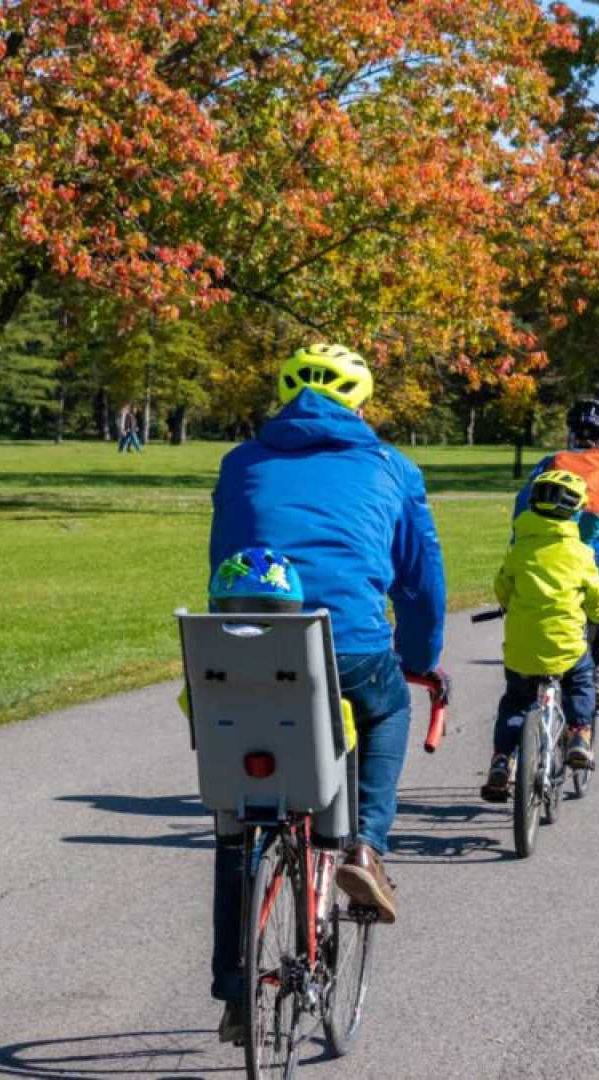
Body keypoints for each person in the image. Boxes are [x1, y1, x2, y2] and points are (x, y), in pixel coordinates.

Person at [206, 342, 448, 1044]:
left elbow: (224, 557)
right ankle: (364, 849)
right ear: (361, 401)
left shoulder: (242, 461)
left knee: (240, 823)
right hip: (353, 649)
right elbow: (422, 581)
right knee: (388, 709)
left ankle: (234, 993)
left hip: (246, 643)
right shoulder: (391, 468)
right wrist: (422, 658)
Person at [512, 397, 599, 711]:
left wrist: (517, 546)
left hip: (547, 553)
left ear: (571, 434)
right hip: (596, 558)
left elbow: (521, 507)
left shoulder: (547, 465)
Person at [482, 469, 599, 801]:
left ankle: (501, 760)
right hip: (566, 645)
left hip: (522, 649)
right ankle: (580, 734)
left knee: (516, 701)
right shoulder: (580, 554)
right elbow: (597, 597)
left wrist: (509, 602)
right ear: (576, 512)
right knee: (580, 679)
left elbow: (503, 587)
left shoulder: (520, 548)